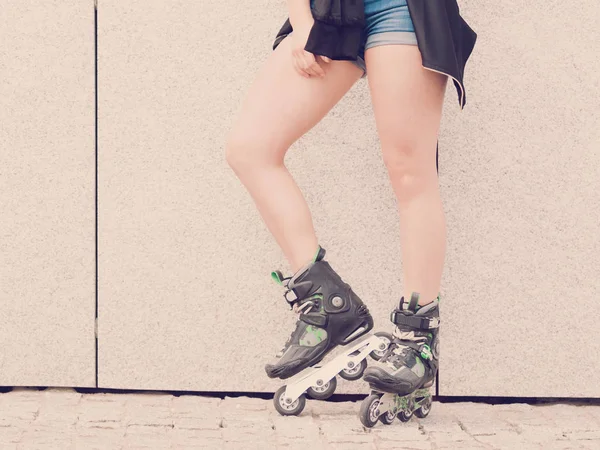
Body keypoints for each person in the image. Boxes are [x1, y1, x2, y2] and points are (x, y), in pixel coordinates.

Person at [225, 0, 476, 393]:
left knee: (411, 172)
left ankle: (417, 337)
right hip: (331, 11)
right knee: (250, 148)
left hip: (404, 11)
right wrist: (302, 22)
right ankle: (326, 302)